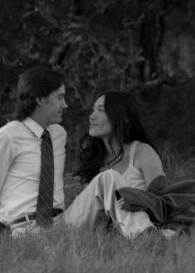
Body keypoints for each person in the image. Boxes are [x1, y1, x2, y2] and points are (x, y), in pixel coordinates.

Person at [0, 67, 67, 234]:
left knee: (105, 181)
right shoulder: (7, 137)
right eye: (60, 98)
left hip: (62, 224)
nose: (65, 104)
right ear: (41, 99)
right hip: (24, 229)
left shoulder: (59, 135)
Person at [62, 91, 172, 239]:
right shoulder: (95, 160)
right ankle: (146, 237)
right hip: (71, 226)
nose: (92, 116)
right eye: (93, 110)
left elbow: (161, 204)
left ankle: (145, 236)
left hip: (112, 235)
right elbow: (89, 213)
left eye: (101, 110)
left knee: (109, 178)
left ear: (124, 118)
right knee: (108, 177)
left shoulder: (143, 153)